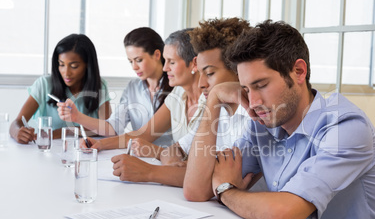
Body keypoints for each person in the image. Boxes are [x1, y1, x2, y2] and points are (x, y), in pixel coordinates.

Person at [183, 20, 375, 219]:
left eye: (261, 85)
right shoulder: (263, 124)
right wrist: (213, 100)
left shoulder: (345, 127)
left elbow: (281, 215)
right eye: (245, 90)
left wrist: (226, 191)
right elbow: (196, 191)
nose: (252, 103)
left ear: (299, 71)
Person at [111, 18, 255, 188]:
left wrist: (147, 171)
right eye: (200, 73)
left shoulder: (253, 118)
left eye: (209, 73)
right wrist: (174, 160)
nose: (201, 83)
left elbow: (205, 182)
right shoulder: (219, 109)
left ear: (239, 70)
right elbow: (178, 149)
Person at [84, 28, 203, 152]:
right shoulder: (177, 94)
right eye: (131, 61)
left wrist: (155, 155)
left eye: (171, 62)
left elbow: (188, 155)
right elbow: (145, 133)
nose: (165, 68)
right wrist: (100, 143)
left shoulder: (204, 97)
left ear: (194, 63)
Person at [58, 27, 174, 147]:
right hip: (140, 158)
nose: (134, 67)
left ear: (157, 54)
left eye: (138, 60)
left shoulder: (176, 88)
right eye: (130, 61)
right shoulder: (133, 87)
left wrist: (101, 143)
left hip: (168, 159)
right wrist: (77, 117)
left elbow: (145, 135)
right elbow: (113, 128)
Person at [9, 34, 111, 143]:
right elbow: (17, 122)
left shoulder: (99, 85)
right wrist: (17, 132)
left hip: (85, 152)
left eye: (74, 66)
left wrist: (66, 131)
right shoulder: (44, 84)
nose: (66, 73)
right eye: (61, 65)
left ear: (88, 65)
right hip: (49, 151)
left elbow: (108, 128)